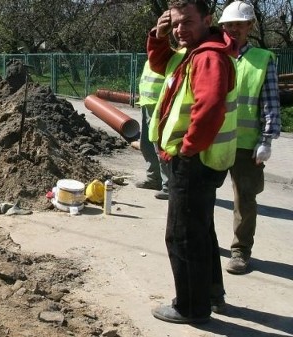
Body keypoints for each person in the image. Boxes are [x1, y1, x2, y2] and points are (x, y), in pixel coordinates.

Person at [147, 0, 238, 324]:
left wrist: (186, 149)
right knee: (201, 230)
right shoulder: (193, 53)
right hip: (200, 160)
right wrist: (158, 37)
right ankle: (211, 295)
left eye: (187, 22)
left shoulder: (208, 56)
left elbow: (210, 107)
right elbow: (162, 65)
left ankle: (190, 306)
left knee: (182, 235)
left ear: (208, 20)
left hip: (194, 161)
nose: (179, 30)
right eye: (174, 24)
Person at [218, 1, 281, 275]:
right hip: (214, 141)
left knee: (245, 200)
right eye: (228, 24)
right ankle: (203, 242)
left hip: (246, 144)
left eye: (238, 24)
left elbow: (270, 103)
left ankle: (240, 251)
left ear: (250, 27)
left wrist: (266, 140)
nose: (233, 29)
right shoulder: (214, 55)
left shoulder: (262, 60)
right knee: (200, 195)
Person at [136, 61, 170, 200]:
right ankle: (154, 178)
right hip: (146, 103)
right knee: (146, 144)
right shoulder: (150, 59)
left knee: (159, 145)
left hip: (159, 106)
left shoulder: (169, 57)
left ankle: (168, 186)